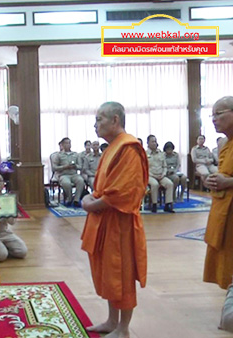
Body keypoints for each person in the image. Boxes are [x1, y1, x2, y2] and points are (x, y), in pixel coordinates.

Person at [81, 101, 148, 338]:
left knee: (122, 272)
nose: (95, 125)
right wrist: (91, 196)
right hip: (104, 220)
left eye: (99, 119)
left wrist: (91, 204)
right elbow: (103, 186)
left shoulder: (129, 148)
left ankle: (123, 328)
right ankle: (111, 320)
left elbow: (123, 192)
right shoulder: (111, 147)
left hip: (120, 223)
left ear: (115, 120)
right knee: (109, 272)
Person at [204, 96, 233, 290]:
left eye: (218, 114)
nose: (214, 119)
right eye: (212, 115)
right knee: (226, 263)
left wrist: (228, 182)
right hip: (224, 211)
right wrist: (213, 180)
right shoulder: (224, 144)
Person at [0, 173, 27, 262]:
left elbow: (11, 222)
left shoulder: (8, 199)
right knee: (1, 256)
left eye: (0, 181)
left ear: (3, 184)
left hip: (5, 233)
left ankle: (2, 247)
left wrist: (13, 210)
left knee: (22, 252)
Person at [51, 137, 85, 207]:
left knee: (81, 181)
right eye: (66, 143)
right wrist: (64, 167)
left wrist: (75, 166)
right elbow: (54, 168)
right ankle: (69, 199)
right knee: (66, 183)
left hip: (74, 174)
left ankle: (76, 199)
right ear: (62, 145)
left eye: (69, 143)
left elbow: (80, 166)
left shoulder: (75, 154)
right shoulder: (58, 155)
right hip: (63, 175)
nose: (68, 145)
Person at [146, 135, 175, 213]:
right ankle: (154, 204)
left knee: (170, 184)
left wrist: (163, 174)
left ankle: (167, 205)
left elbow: (165, 166)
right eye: (152, 141)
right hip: (150, 176)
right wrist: (153, 175)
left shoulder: (161, 153)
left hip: (161, 175)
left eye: (155, 141)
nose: (154, 143)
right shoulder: (144, 154)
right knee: (155, 184)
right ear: (148, 143)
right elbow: (144, 168)